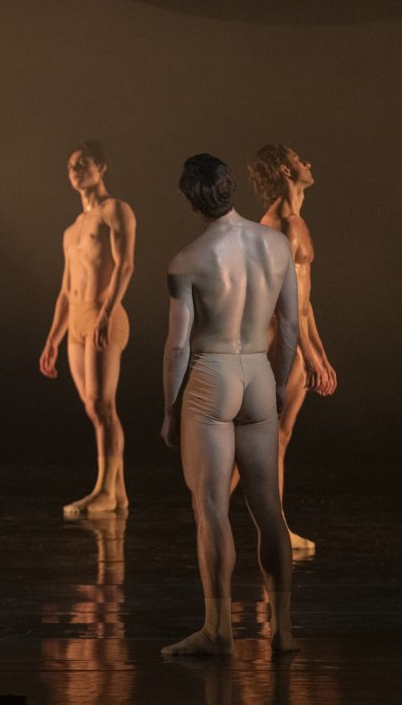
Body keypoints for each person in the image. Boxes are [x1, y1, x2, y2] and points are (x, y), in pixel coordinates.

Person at [161, 153, 299, 655]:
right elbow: (290, 323)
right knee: (269, 509)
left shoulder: (187, 261)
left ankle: (218, 631)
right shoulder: (276, 244)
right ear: (229, 187)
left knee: (211, 508)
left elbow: (178, 346)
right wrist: (279, 384)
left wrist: (170, 409)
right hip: (259, 370)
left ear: (191, 201)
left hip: (212, 376)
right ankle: (283, 631)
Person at [235, 145, 337, 550]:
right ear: (284, 169)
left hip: (291, 343)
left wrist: (320, 355)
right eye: (298, 158)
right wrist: (306, 355)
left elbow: (304, 303)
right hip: (274, 345)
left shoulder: (296, 221)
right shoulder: (278, 226)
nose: (307, 162)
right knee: (258, 439)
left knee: (277, 438)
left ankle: (275, 530)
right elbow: (281, 305)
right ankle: (207, 516)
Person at [39, 142, 136, 514]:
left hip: (102, 312)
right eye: (70, 166)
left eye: (82, 164)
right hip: (77, 320)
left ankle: (104, 490)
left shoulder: (115, 210)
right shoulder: (72, 229)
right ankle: (118, 493)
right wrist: (53, 339)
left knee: (101, 404)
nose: (75, 171)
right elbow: (66, 290)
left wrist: (106, 313)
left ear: (101, 167)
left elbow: (125, 265)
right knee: (93, 409)